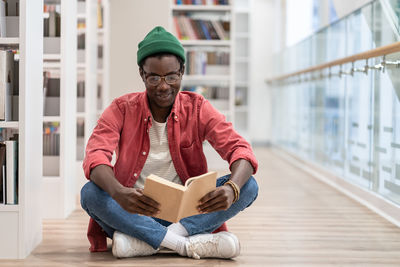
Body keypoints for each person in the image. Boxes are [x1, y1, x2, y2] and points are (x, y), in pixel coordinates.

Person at [80, 26, 259, 260]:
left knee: (248, 186)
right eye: (154, 77)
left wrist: (231, 188)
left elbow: (239, 149)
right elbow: (95, 156)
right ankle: (183, 244)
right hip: (134, 211)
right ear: (142, 75)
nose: (164, 86)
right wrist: (119, 192)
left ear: (182, 72)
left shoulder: (197, 107)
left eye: (171, 76)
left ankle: (154, 241)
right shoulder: (121, 109)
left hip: (187, 214)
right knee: (90, 193)